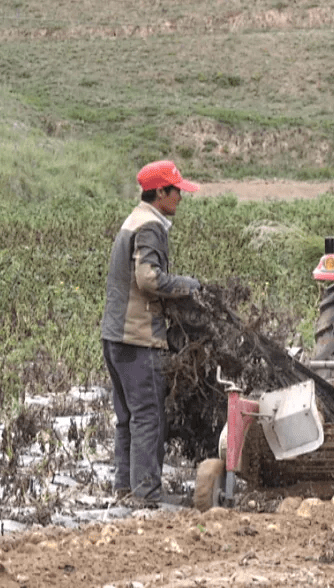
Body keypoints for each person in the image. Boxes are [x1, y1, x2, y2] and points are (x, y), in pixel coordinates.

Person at [100, 159, 202, 502]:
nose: (180, 198)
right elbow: (148, 278)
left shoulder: (134, 218)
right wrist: (189, 286)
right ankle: (146, 493)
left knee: (127, 417)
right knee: (148, 417)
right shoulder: (150, 226)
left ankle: (125, 489)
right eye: (177, 191)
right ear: (160, 192)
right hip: (139, 336)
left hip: (114, 335)